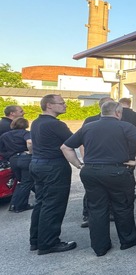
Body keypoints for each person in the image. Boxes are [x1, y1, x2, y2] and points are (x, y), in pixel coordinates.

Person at [61, 101, 136, 257]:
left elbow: (66, 147)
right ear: (118, 113)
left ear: (101, 112)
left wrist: (78, 164)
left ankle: (100, 247)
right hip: (117, 171)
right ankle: (128, 240)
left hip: (91, 172)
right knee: (123, 206)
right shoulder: (125, 126)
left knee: (96, 209)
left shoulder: (87, 127)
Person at [29, 94, 76, 255]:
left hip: (37, 163)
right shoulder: (56, 125)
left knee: (41, 202)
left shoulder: (36, 122)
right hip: (53, 166)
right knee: (53, 205)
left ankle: (36, 239)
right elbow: (74, 141)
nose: (65, 106)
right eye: (61, 103)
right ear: (49, 105)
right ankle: (48, 243)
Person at [79, 96, 114, 228]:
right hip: (93, 161)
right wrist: (84, 159)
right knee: (91, 191)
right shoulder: (90, 120)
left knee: (112, 189)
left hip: (112, 162)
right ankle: (87, 215)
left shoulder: (118, 120)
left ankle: (110, 212)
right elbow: (81, 141)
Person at [0, 117, 33, 212]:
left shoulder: (4, 135)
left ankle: (14, 204)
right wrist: (31, 153)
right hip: (24, 157)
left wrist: (9, 155)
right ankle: (21, 205)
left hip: (13, 159)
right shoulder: (26, 133)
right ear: (25, 125)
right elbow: (30, 142)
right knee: (27, 182)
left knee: (20, 181)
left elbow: (1, 150)